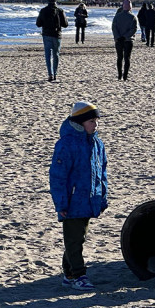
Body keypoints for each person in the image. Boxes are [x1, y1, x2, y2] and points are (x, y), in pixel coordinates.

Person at [49, 101, 108, 291]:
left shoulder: (97, 143)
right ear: (80, 123)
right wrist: (61, 204)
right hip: (72, 201)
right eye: (91, 121)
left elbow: (102, 172)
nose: (95, 125)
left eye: (96, 121)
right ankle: (78, 275)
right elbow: (58, 176)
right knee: (74, 240)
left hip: (89, 199)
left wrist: (102, 196)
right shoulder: (67, 144)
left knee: (78, 238)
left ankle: (68, 273)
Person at [35, 0, 68, 82]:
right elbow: (65, 24)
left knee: (48, 55)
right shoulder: (60, 10)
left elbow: (38, 24)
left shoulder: (43, 10)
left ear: (48, 0)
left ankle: (50, 74)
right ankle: (55, 74)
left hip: (46, 35)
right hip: (57, 35)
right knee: (56, 55)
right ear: (56, 0)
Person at [111, 0, 137, 81]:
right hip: (128, 40)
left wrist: (118, 36)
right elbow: (134, 29)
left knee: (119, 57)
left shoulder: (117, 16)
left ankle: (119, 75)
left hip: (118, 40)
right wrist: (125, 36)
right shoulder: (132, 17)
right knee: (127, 58)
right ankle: (125, 75)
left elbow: (114, 28)